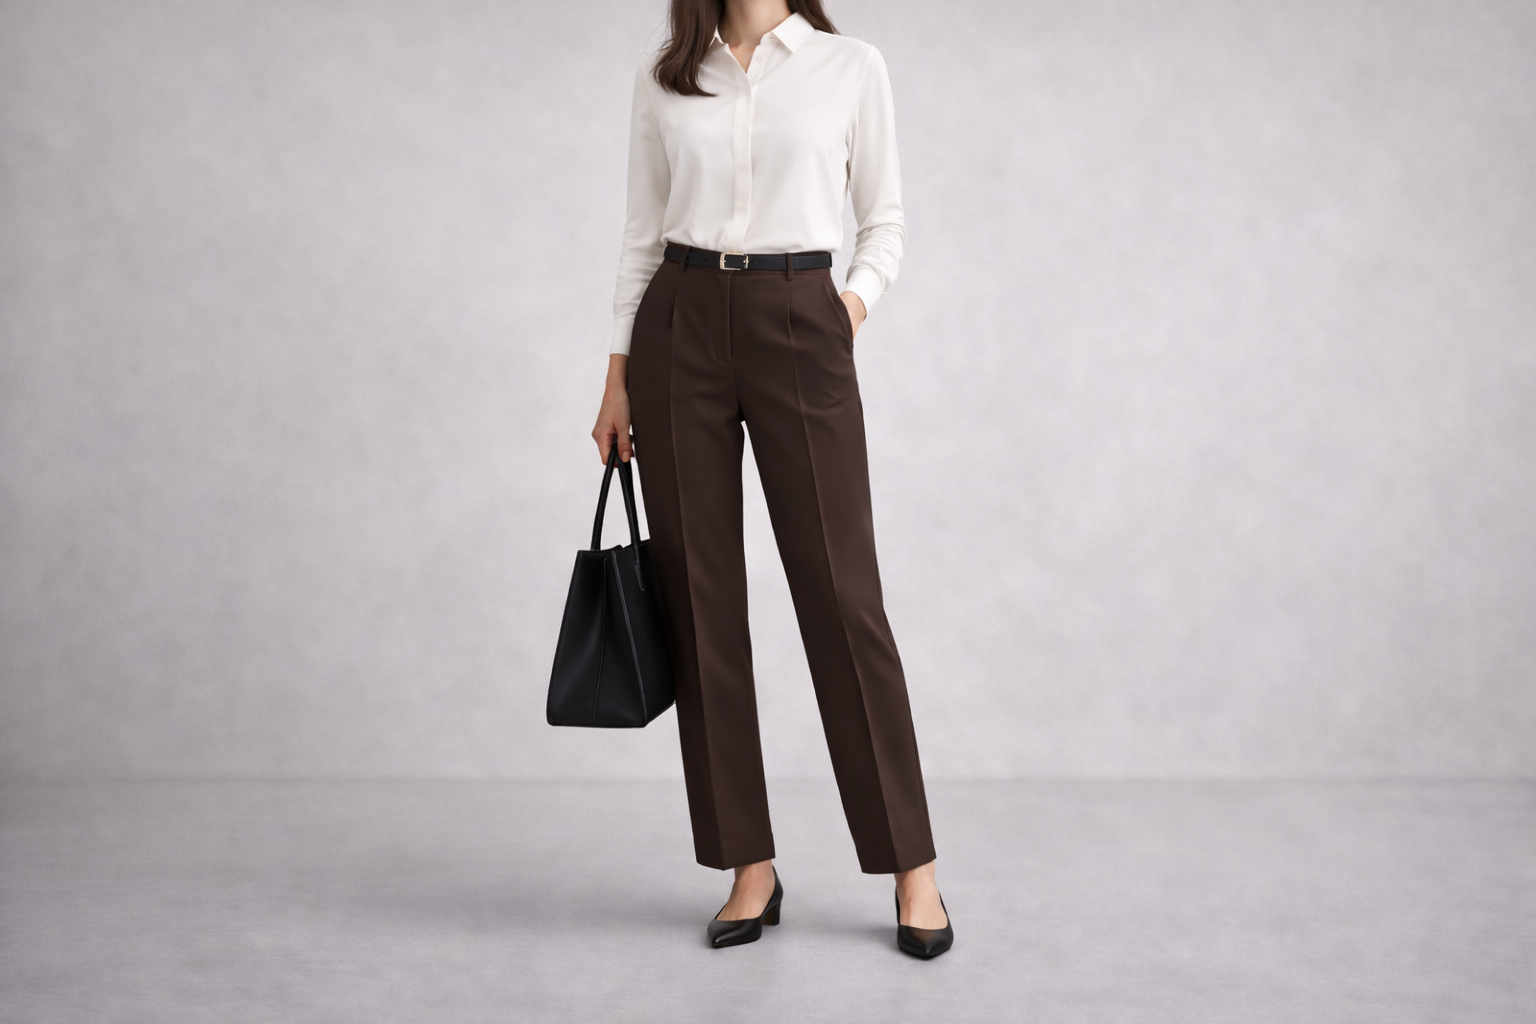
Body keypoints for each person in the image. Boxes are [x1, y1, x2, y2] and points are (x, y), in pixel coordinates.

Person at [591, 0, 952, 958]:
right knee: (699, 602)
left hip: (799, 315)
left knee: (842, 595)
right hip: (678, 326)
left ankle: (913, 868)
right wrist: (618, 376)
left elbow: (886, 221)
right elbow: (638, 235)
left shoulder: (849, 66)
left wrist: (847, 312)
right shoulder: (668, 73)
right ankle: (749, 866)